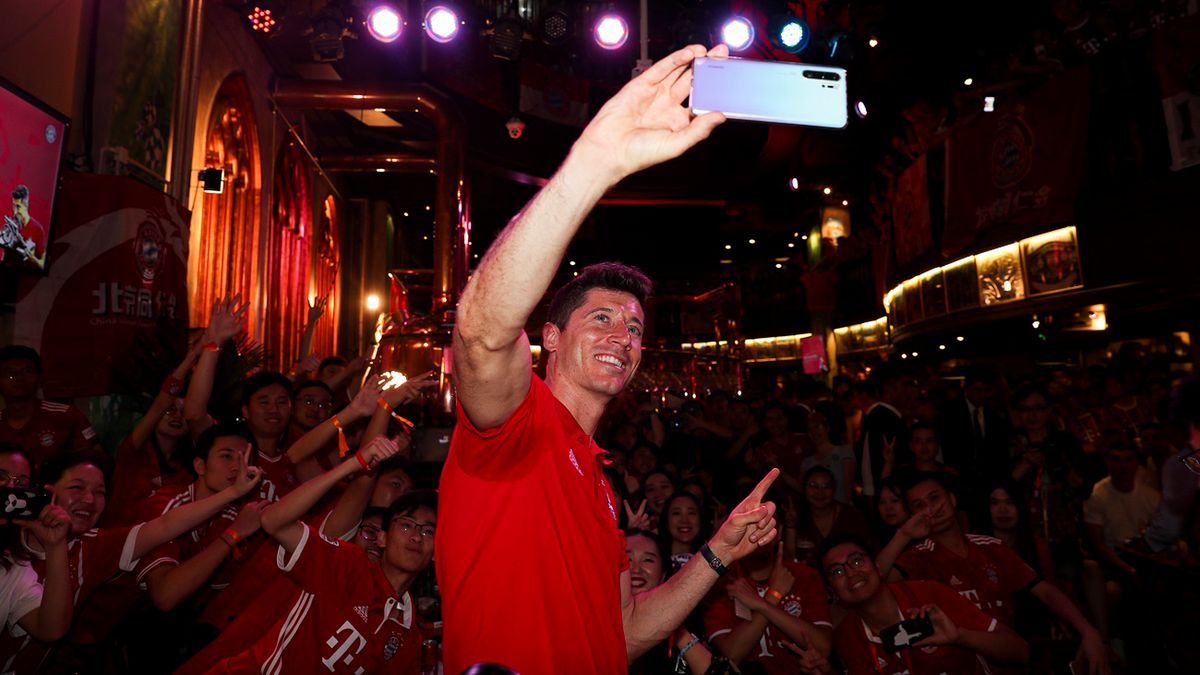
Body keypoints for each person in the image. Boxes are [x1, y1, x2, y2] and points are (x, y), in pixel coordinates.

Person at [436, 42, 783, 674]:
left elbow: (621, 634)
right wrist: (595, 162)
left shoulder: (601, 481)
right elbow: (481, 329)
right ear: (549, 337)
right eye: (601, 318)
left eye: (634, 327)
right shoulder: (514, 424)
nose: (623, 335)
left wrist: (717, 554)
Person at [203, 436, 428, 673]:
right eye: (406, 526)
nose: (416, 536)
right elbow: (277, 518)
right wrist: (359, 460)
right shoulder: (341, 559)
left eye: (428, 531)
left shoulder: (406, 629)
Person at [878, 472, 1109, 675]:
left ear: (952, 499)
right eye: (918, 505)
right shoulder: (917, 557)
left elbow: (1045, 590)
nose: (930, 508)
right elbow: (872, 583)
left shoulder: (991, 547)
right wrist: (904, 535)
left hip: (1011, 660)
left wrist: (1088, 630)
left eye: (934, 498)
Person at [817, 533, 1028, 675]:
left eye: (856, 561)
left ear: (878, 567)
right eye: (836, 571)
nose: (851, 573)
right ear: (832, 591)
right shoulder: (848, 638)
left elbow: (1020, 651)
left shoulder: (929, 594)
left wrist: (960, 636)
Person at [703, 540, 832, 673]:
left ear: (779, 530)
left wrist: (763, 602)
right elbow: (731, 656)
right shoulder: (723, 585)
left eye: (767, 524)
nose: (761, 531)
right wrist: (773, 596)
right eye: (753, 525)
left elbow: (822, 647)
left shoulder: (804, 575)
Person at [0, 345, 99, 471]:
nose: (19, 378)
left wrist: (87, 455)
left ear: (40, 378)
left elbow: (101, 458)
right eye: (10, 373)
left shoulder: (67, 415)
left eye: (27, 371)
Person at [658, 491, 711, 573]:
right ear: (666, 521)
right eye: (676, 513)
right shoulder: (656, 559)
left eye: (691, 513)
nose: (684, 520)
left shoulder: (710, 559)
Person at [3, 186, 47, 269]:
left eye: (18, 206)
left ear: (26, 205)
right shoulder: (9, 226)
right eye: (13, 206)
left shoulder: (37, 229)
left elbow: (43, 264)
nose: (15, 212)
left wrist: (33, 259)